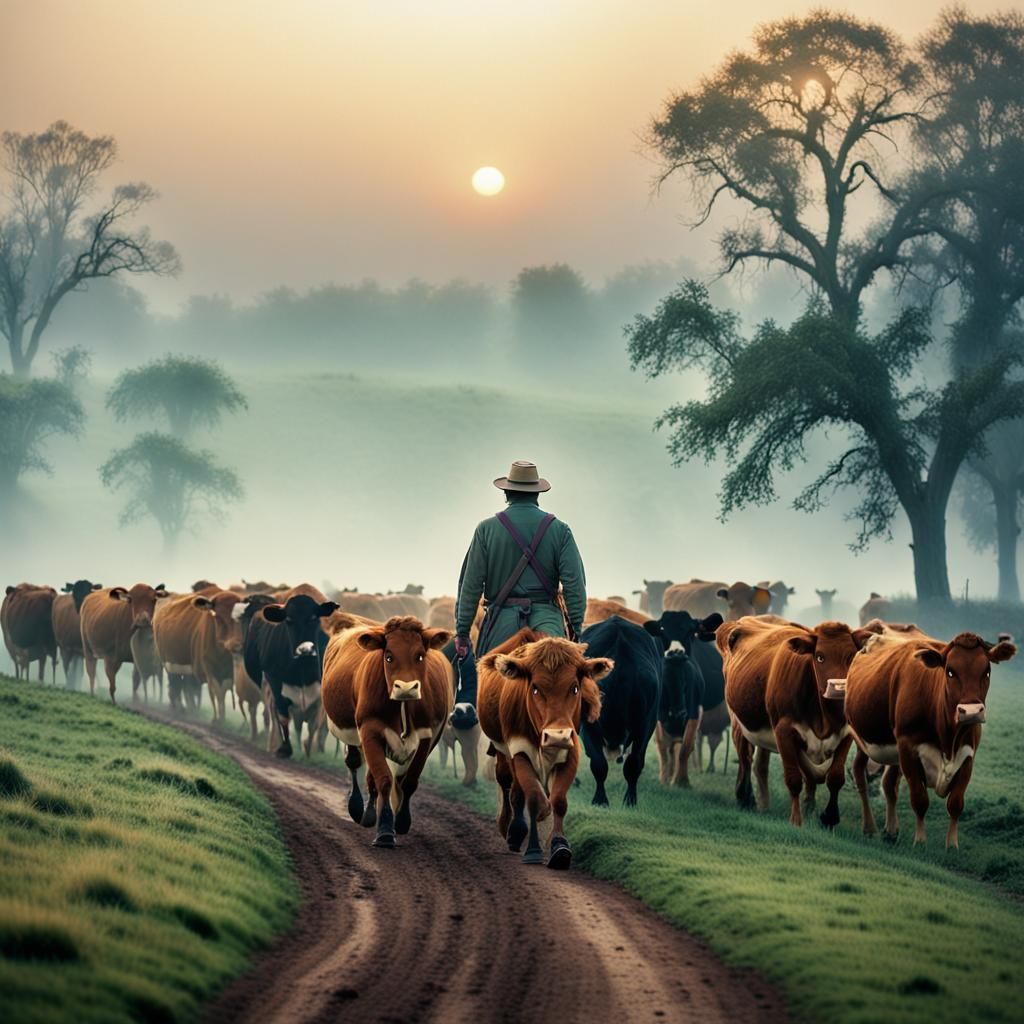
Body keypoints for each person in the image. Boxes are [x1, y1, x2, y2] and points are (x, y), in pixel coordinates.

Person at [454, 460, 587, 662]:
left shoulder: (486, 529)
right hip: (547, 622)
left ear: (506, 494)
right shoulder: (560, 530)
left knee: (486, 681)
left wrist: (463, 632)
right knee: (571, 686)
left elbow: (470, 586)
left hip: (500, 623)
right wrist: (576, 629)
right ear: (537, 494)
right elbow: (574, 584)